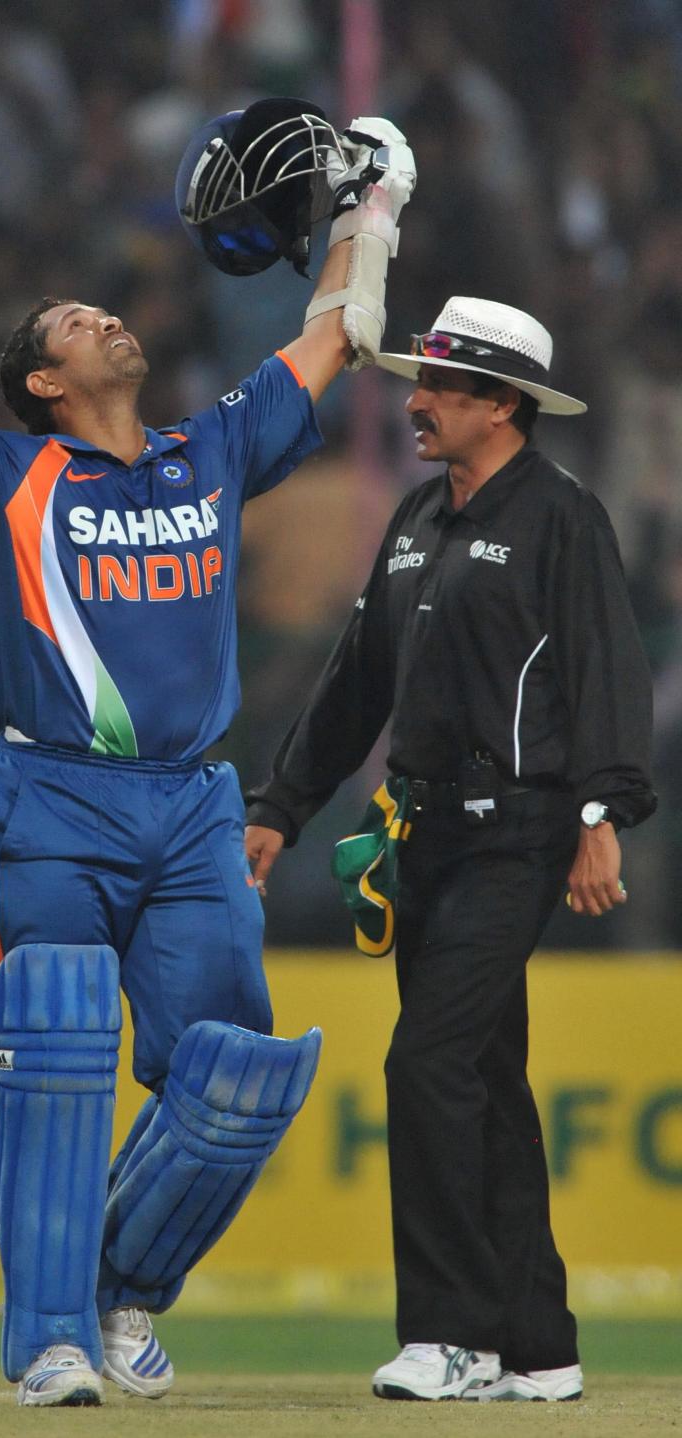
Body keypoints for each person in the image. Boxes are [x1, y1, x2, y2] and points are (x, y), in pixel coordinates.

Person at [0, 105, 415, 1406]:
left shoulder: (210, 450)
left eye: (100, 314)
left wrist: (371, 213)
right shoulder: (8, 472)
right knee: (52, 1047)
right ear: (46, 382)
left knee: (236, 1071)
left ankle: (117, 1290)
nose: (106, 321)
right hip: (53, 797)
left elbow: (332, 334)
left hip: (191, 804)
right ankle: (47, 1336)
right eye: (71, 323)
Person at [245, 296, 656, 1403]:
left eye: (441, 388)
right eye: (420, 380)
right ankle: (538, 1342)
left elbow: (608, 668)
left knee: (426, 1061)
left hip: (519, 833)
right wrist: (282, 801)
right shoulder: (421, 516)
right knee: (484, 1076)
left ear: (503, 404)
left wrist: (598, 815)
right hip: (422, 835)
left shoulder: (562, 516)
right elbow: (356, 679)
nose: (415, 402)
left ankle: (450, 1333)